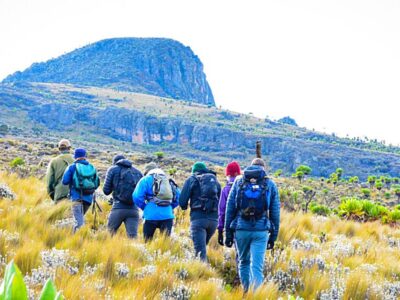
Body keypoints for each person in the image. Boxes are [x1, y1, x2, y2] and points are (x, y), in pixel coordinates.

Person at [224, 158, 280, 292]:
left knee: (243, 262)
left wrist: (228, 233)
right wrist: (273, 236)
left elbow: (230, 207)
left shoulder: (239, 181)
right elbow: (275, 212)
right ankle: (255, 295)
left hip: (241, 229)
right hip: (261, 231)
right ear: (263, 168)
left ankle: (246, 292)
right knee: (257, 267)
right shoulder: (270, 184)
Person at [179, 162, 221, 262]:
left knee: (200, 254)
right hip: (214, 220)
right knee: (201, 248)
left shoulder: (192, 179)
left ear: (194, 171)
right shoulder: (215, 182)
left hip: (198, 219)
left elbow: (182, 201)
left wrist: (185, 207)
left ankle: (203, 274)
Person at [133, 162, 180, 241]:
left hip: (151, 215)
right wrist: (170, 206)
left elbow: (137, 196)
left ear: (147, 172)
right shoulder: (168, 180)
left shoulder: (145, 180)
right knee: (165, 243)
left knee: (147, 242)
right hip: (167, 215)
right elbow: (178, 197)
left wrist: (145, 207)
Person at [103, 154, 143, 238]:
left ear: (115, 162)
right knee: (133, 237)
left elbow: (106, 191)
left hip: (118, 208)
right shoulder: (137, 172)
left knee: (109, 234)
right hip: (134, 209)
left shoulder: (112, 169)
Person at [62, 148, 100, 232]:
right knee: (80, 219)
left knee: (79, 222)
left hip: (77, 198)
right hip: (88, 199)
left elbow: (64, 181)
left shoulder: (72, 167)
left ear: (75, 156)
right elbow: (97, 184)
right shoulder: (92, 167)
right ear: (85, 156)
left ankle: (80, 239)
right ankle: (75, 238)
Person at [218, 161, 242, 245]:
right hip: (250, 224)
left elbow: (222, 211)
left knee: (240, 254)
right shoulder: (244, 186)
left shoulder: (226, 189)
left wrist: (220, 230)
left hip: (233, 225)